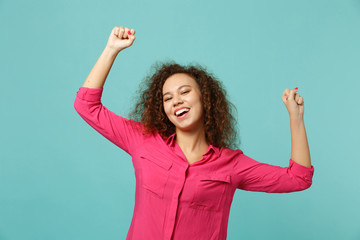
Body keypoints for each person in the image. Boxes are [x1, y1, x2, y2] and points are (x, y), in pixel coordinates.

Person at [74, 26, 315, 240]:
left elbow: (299, 178)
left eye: (185, 92)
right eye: (167, 98)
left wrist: (296, 117)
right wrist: (111, 49)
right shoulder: (143, 141)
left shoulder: (231, 165)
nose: (176, 101)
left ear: (205, 98)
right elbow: (87, 106)